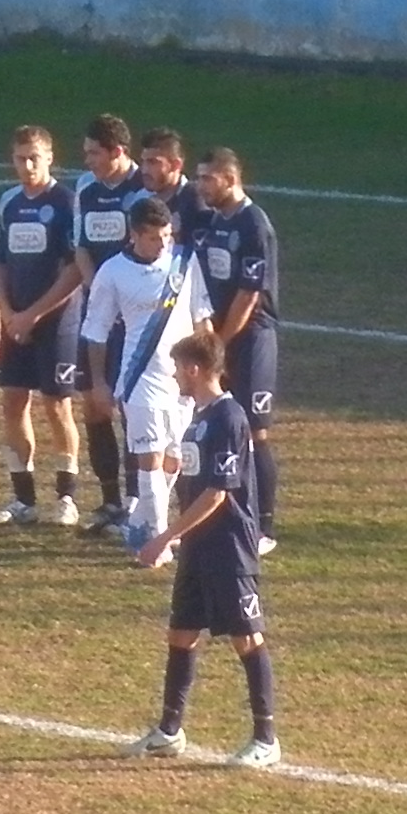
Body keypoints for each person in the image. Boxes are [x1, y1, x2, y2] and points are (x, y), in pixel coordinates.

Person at [136, 328, 280, 768]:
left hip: (228, 549)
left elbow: (219, 493)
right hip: (200, 549)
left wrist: (165, 536)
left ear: (196, 369)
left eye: (179, 368)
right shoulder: (198, 418)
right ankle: (169, 731)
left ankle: (266, 738)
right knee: (181, 634)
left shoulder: (228, 417)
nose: (176, 376)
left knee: (247, 638)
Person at [78, 196, 211, 552]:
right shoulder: (112, 272)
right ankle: (157, 540)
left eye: (167, 235)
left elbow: (202, 320)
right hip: (140, 381)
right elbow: (95, 330)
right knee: (149, 460)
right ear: (134, 235)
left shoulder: (185, 262)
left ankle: (140, 524)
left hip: (182, 382)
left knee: (175, 459)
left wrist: (210, 371)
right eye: (154, 237)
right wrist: (100, 382)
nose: (163, 243)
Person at [0, 125, 86, 528]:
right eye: (19, 159)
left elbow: (74, 268)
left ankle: (66, 497)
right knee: (12, 403)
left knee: (57, 405)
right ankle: (23, 498)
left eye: (34, 159)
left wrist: (33, 315)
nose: (26, 167)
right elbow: (0, 264)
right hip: (16, 320)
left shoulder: (65, 202)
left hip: (56, 322)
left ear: (49, 159)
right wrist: (8, 313)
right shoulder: (8, 202)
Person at [190, 147, 284, 554]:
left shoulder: (253, 224)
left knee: (255, 431)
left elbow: (248, 295)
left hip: (251, 340)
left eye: (207, 178)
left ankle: (264, 529)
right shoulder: (215, 222)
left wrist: (219, 348)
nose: (200, 186)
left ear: (229, 179)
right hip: (223, 339)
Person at [57, 114, 148, 532]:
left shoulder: (141, 188)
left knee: (132, 408)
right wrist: (99, 292)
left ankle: (137, 499)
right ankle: (110, 499)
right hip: (99, 312)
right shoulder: (85, 188)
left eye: (95, 153)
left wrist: (120, 295)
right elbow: (79, 247)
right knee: (95, 404)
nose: (88, 160)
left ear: (118, 152)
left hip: (135, 315)